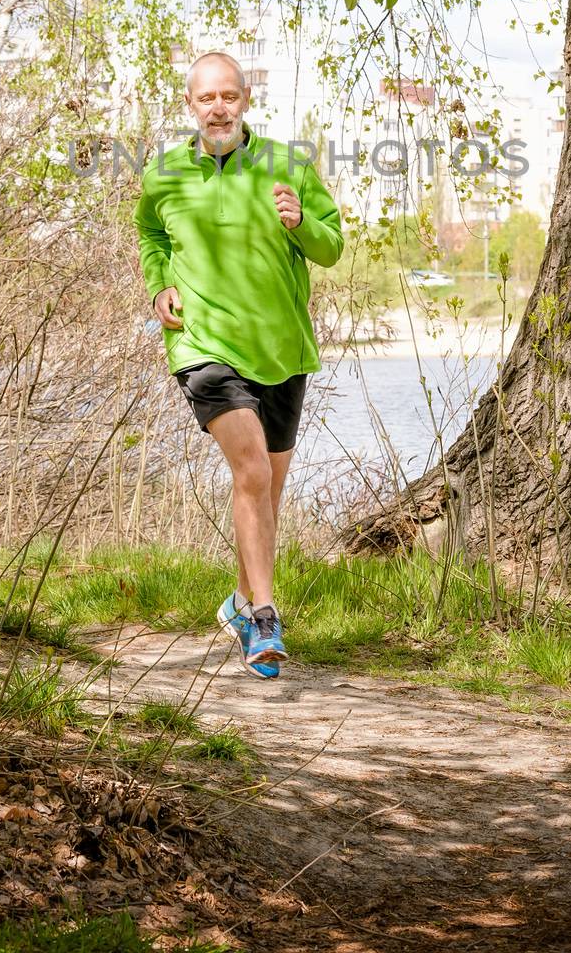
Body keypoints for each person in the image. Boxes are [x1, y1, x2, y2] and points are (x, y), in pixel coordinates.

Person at [133, 52, 343, 679]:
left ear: (245, 99)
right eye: (206, 98)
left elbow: (331, 247)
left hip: (281, 347)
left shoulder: (286, 164)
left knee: (266, 490)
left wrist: (302, 223)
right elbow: (152, 237)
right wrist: (159, 285)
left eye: (229, 95)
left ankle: (239, 599)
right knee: (250, 467)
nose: (218, 107)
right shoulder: (163, 173)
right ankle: (264, 620)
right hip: (202, 345)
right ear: (190, 105)